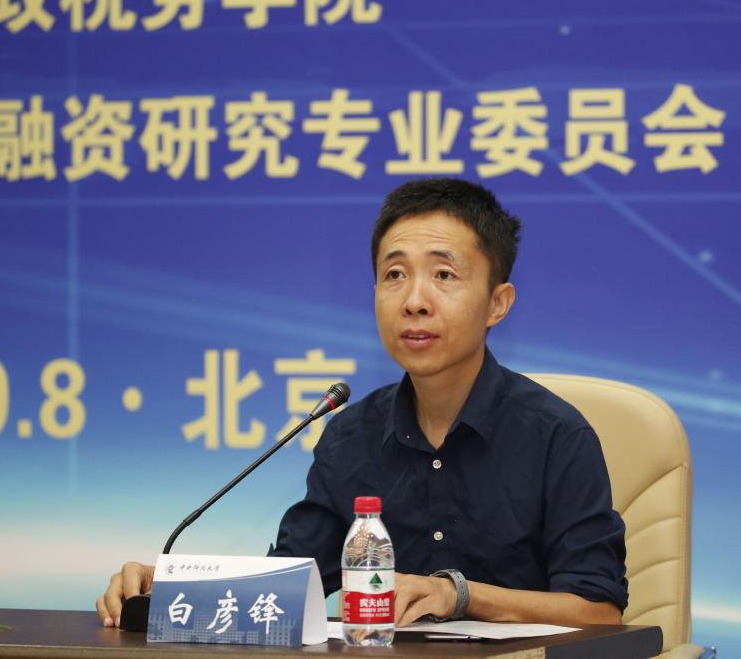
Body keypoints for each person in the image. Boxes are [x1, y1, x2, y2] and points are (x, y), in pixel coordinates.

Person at [97, 178, 627, 629]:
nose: (414, 300)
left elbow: (599, 611)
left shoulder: (556, 435)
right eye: (394, 275)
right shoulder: (350, 438)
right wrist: (167, 589)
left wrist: (457, 595)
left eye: (443, 275)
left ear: (497, 303)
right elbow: (287, 586)